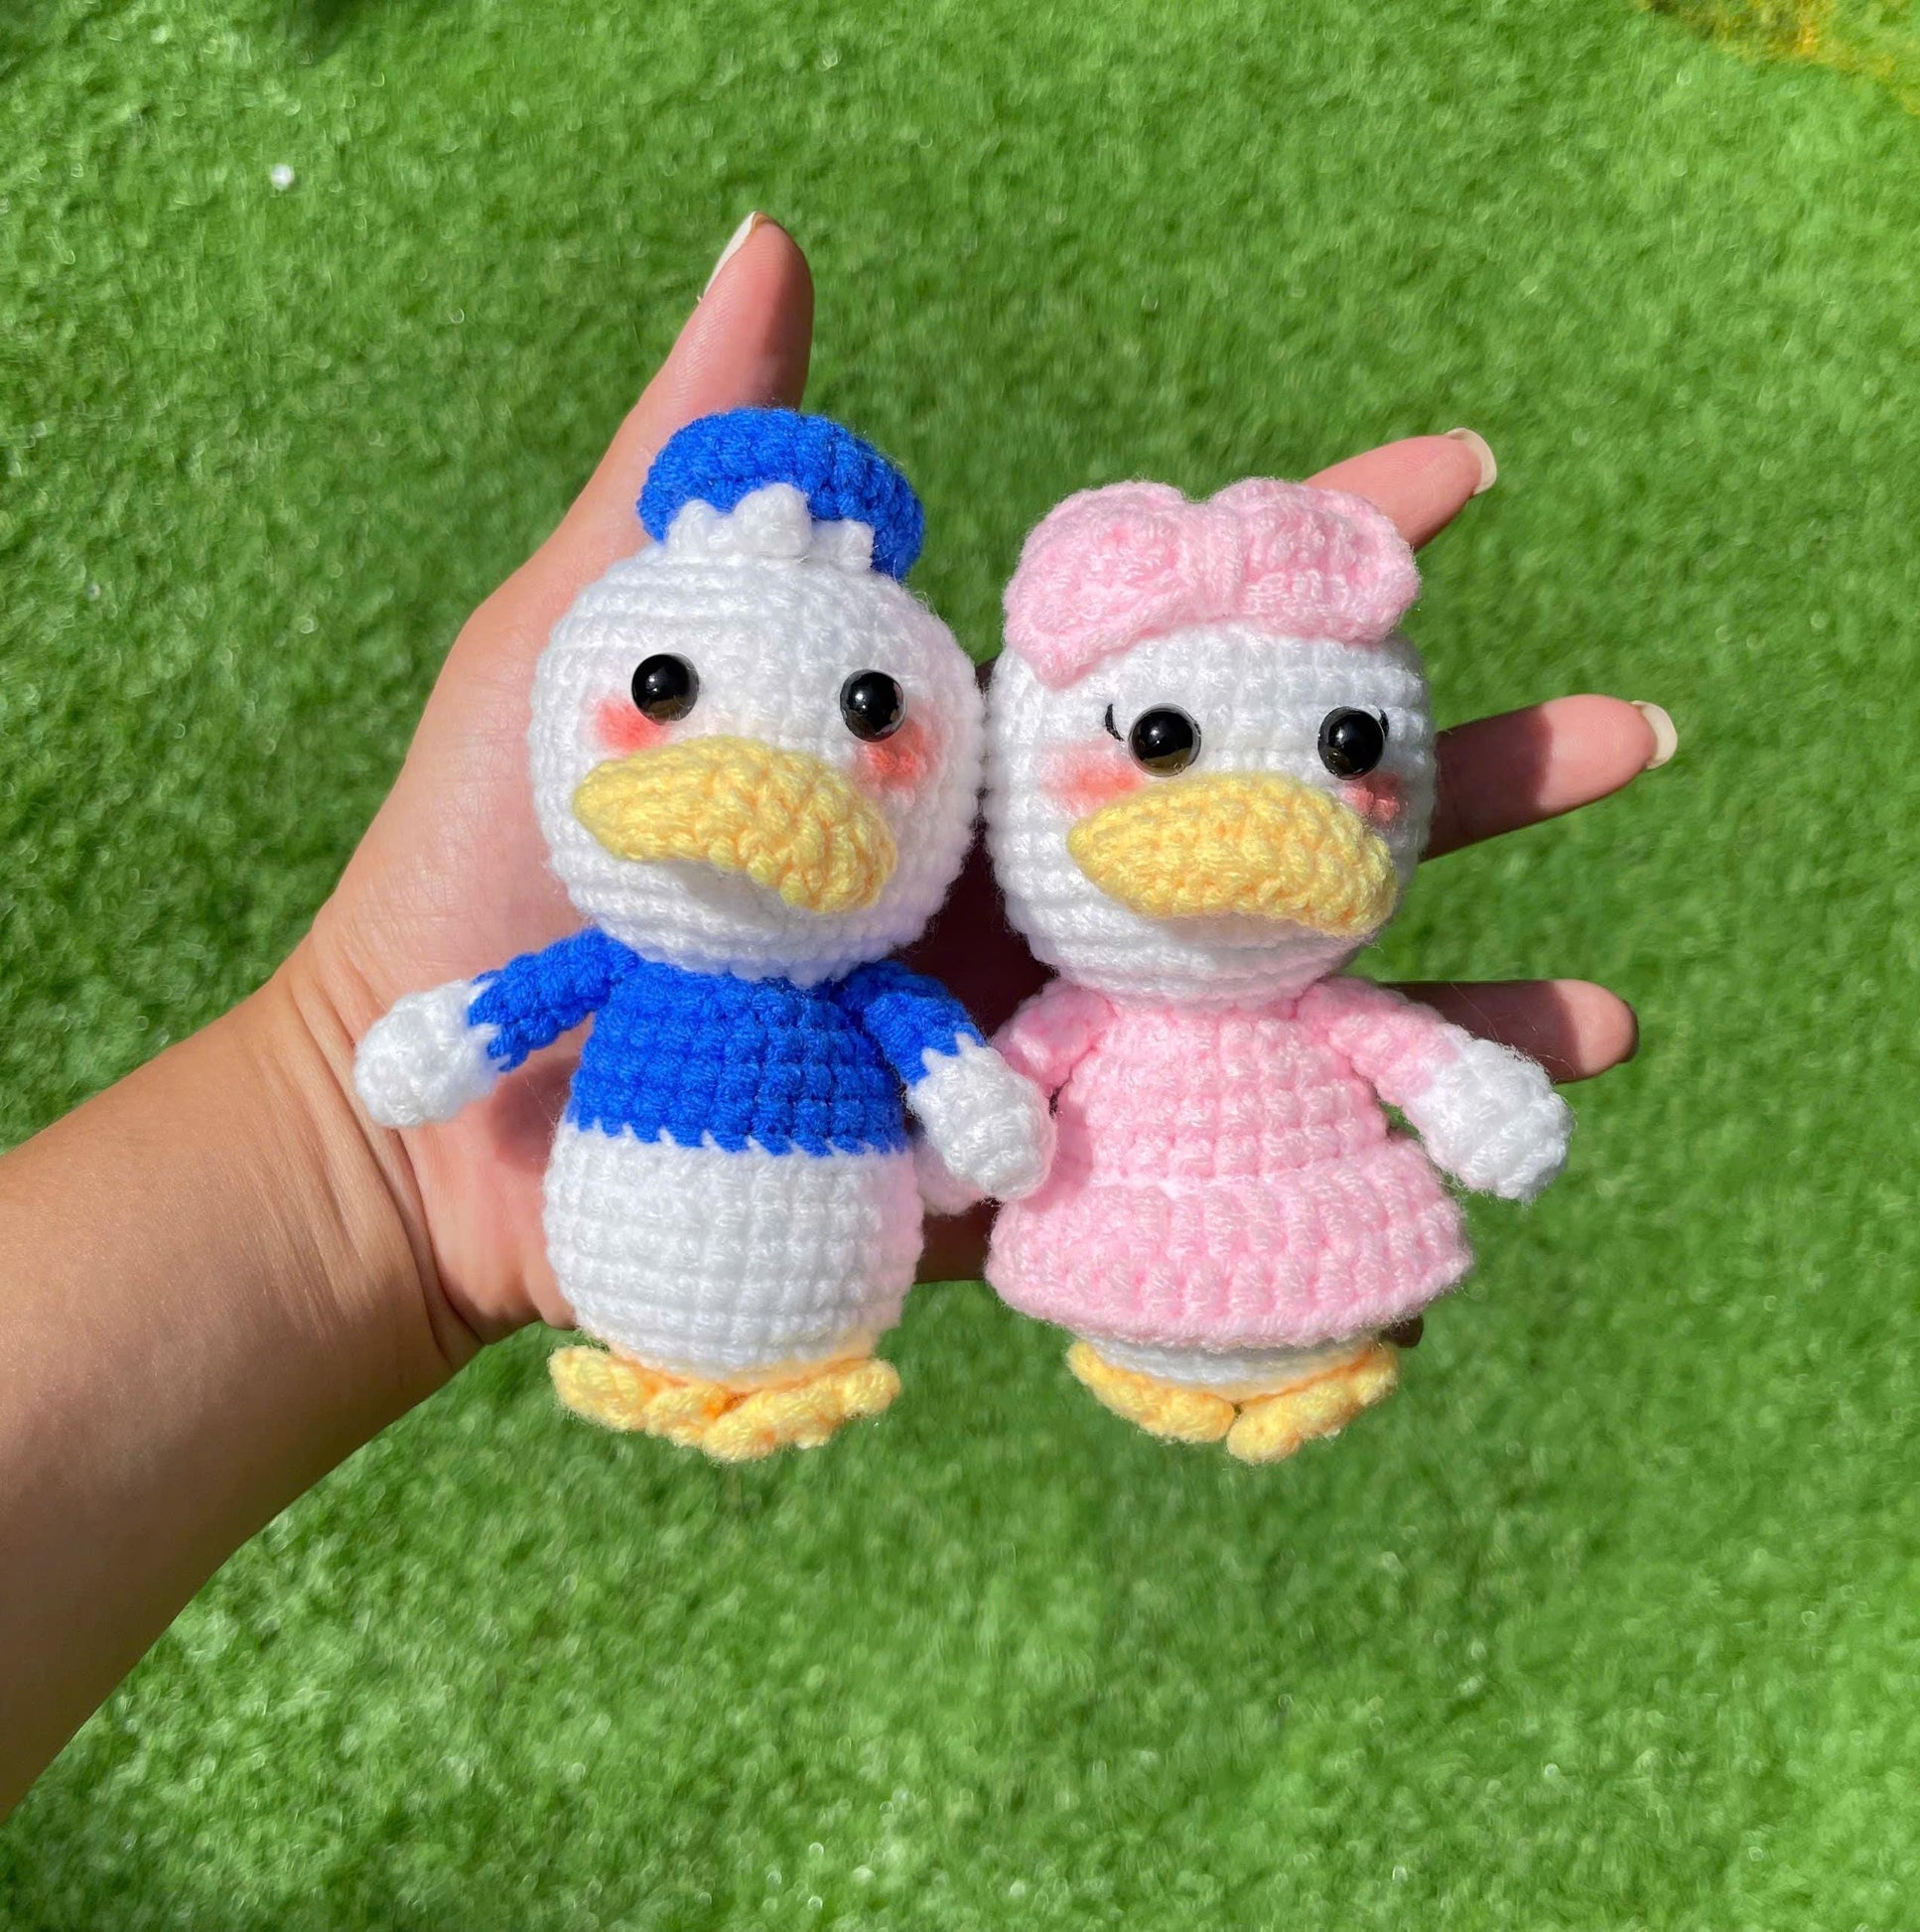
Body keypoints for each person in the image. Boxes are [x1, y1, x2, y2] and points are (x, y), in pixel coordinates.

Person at [0, 214, 1668, 1812]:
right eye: (666, 697)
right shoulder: (697, 962)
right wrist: (401, 1069)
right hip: (666, 1209)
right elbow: (628, 1012)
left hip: (1159, 1217)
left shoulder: (935, 977)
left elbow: (993, 1070)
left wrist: (1000, 1118)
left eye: (864, 714)